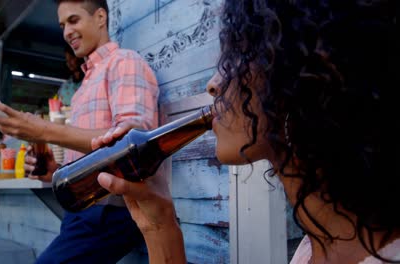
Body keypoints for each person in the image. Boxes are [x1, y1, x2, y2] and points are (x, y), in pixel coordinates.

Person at [93, 0, 398, 263]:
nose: (213, 84)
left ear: (307, 75)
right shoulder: (319, 243)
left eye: (239, 54)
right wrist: (159, 224)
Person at [0, 0, 160, 263]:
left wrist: (45, 130)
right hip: (82, 211)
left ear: (100, 17)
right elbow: (93, 153)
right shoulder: (82, 90)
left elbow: (133, 145)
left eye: (74, 20)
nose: (66, 32)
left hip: (112, 210)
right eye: (62, 25)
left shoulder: (124, 61)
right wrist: (55, 169)